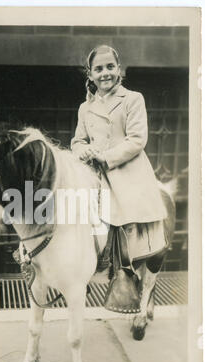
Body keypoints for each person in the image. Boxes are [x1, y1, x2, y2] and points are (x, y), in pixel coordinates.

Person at [71, 44, 168, 261]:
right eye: (98, 69)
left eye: (110, 67)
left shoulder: (133, 99)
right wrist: (85, 150)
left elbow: (136, 139)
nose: (105, 73)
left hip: (129, 172)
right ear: (90, 74)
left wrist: (104, 157)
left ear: (119, 69)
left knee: (130, 223)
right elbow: (77, 141)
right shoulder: (85, 108)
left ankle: (129, 270)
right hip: (96, 175)